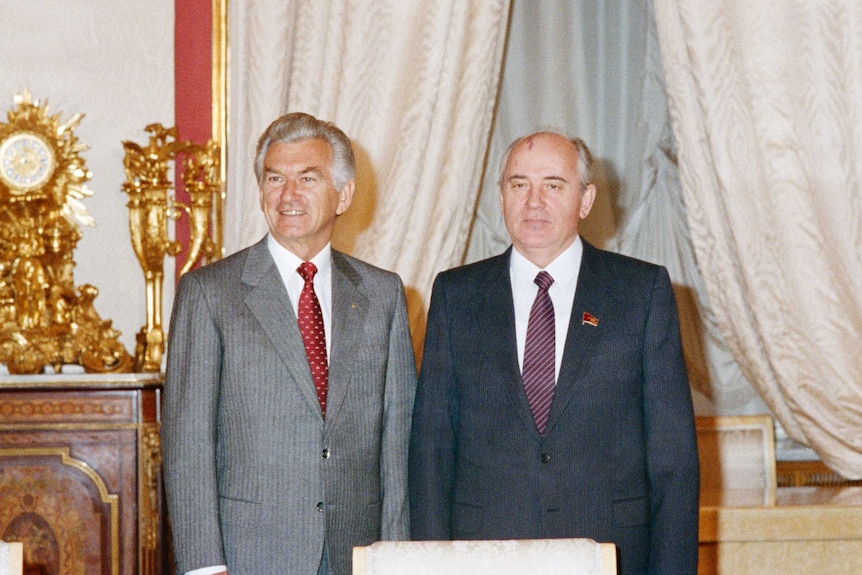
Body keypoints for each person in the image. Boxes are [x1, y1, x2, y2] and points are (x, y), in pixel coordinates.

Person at [408, 131, 699, 574]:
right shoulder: (456, 295)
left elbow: (674, 461)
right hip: (483, 556)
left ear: (585, 200)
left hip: (611, 553)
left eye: (554, 185)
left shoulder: (642, 292)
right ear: (501, 197)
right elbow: (431, 451)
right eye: (519, 184)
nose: (534, 201)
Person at [162, 112, 417, 575]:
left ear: (344, 195)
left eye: (308, 177)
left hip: (356, 555)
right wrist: (203, 566)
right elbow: (187, 445)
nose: (288, 194)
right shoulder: (209, 293)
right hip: (249, 556)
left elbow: (397, 446)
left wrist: (396, 558)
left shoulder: (383, 295)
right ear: (261, 192)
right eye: (275, 178)